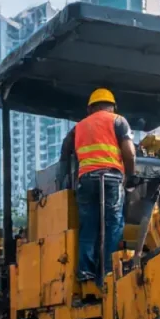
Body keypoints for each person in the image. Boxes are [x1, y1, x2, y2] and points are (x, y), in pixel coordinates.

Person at [57, 88, 137, 281]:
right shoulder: (118, 120)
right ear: (112, 106)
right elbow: (130, 152)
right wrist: (131, 176)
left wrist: (64, 182)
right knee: (113, 223)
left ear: (90, 108)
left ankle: (85, 270)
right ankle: (109, 270)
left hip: (86, 179)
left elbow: (65, 153)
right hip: (111, 178)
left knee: (89, 225)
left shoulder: (79, 127)